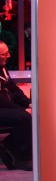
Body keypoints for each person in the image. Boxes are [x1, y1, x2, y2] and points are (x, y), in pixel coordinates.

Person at [0, 40, 31, 171]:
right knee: (24, 117)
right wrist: (22, 110)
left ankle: (9, 145)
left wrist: (28, 103)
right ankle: (23, 160)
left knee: (32, 113)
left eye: (8, 53)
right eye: (4, 54)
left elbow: (14, 89)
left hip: (8, 107)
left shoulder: (3, 68)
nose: (8, 56)